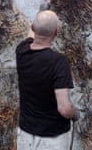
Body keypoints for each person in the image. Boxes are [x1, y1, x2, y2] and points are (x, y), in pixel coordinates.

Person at [15, 9, 80, 150]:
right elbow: (64, 108)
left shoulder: (21, 51)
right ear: (56, 33)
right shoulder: (58, 62)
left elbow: (30, 35)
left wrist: (40, 10)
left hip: (25, 136)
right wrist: (75, 114)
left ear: (32, 27)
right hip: (52, 140)